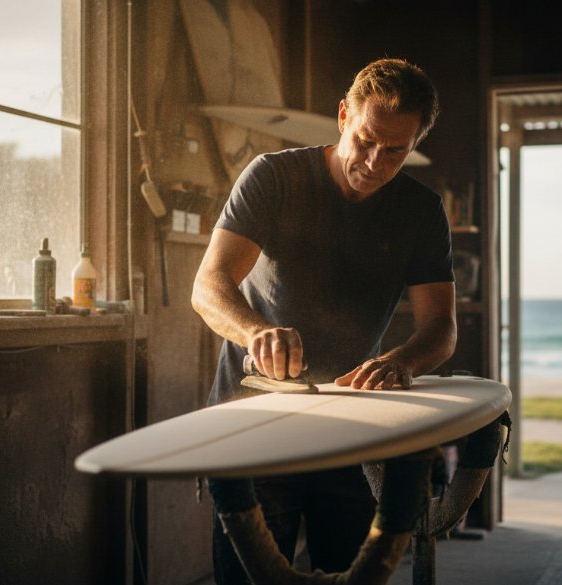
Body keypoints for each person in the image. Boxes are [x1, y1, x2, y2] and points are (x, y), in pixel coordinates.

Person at [191, 57, 457, 583]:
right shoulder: (274, 176)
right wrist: (255, 331)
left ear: (415, 144)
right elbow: (208, 286)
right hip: (254, 420)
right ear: (342, 116)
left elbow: (440, 328)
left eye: (395, 151)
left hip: (349, 425)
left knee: (352, 574)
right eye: (365, 140)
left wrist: (401, 360)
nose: (375, 162)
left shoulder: (421, 212)